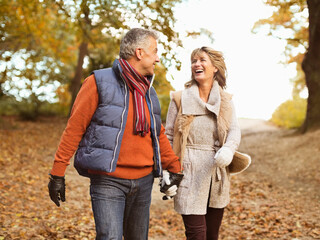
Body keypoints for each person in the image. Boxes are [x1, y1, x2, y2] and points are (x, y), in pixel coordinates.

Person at [48, 28, 183, 240]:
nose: (157, 58)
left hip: (144, 181)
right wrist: (57, 173)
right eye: (155, 51)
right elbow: (75, 128)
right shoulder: (98, 82)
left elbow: (157, 133)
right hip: (109, 181)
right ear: (140, 53)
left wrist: (174, 168)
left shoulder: (149, 91)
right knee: (109, 237)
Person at [165, 47, 242, 240]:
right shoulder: (179, 98)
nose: (196, 64)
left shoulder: (225, 100)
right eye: (193, 61)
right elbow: (168, 136)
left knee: (211, 235)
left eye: (202, 60)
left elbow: (234, 130)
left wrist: (228, 150)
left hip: (217, 172)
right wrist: (167, 169)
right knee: (196, 234)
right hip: (189, 171)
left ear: (215, 67)